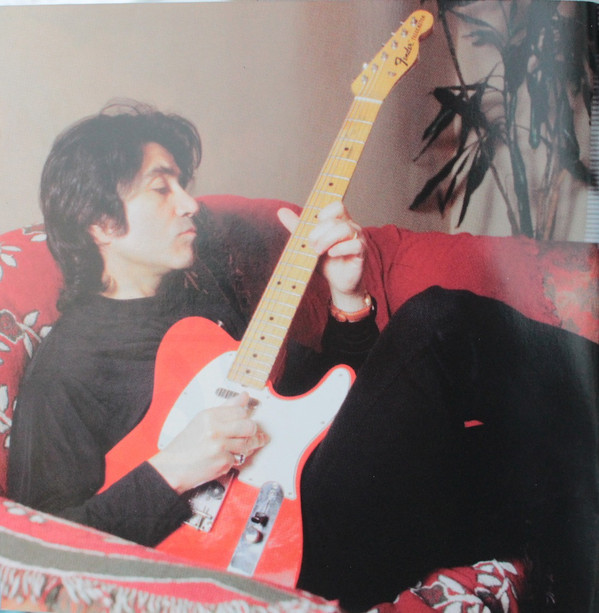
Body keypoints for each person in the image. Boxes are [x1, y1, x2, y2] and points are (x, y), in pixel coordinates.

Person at [7, 103, 598, 613]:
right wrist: (172, 471)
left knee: (550, 465)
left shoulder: (198, 300)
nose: (189, 203)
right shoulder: (66, 370)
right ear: (100, 223)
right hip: (270, 555)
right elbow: (42, 550)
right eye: (162, 188)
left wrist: (347, 297)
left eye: (183, 184)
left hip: (325, 498)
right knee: (437, 321)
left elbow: (315, 403)